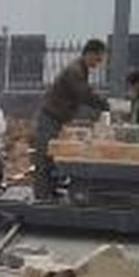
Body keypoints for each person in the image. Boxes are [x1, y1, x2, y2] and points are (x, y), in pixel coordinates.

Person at [33, 39, 110, 200]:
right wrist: (107, 105)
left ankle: (49, 191)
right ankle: (42, 196)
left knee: (52, 157)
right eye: (97, 59)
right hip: (49, 118)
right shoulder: (75, 71)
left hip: (56, 118)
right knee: (45, 157)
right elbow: (85, 94)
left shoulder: (81, 69)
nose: (98, 64)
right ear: (89, 54)